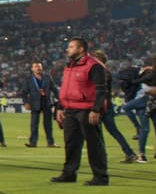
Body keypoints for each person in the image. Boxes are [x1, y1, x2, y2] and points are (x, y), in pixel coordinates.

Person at [51, 37, 109, 185]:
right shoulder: (70, 65)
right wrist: (59, 106)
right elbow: (65, 88)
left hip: (86, 109)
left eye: (71, 47)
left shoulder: (94, 65)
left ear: (81, 49)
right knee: (71, 143)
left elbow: (102, 90)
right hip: (70, 109)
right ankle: (69, 173)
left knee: (94, 144)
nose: (67, 49)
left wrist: (95, 110)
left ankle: (101, 176)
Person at [20, 61, 59, 148]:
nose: (38, 68)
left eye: (39, 66)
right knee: (34, 124)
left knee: (48, 124)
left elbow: (54, 89)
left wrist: (60, 98)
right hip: (34, 104)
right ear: (32, 69)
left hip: (47, 103)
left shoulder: (47, 77)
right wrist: (25, 102)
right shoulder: (29, 79)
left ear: (42, 68)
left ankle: (51, 143)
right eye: (36, 66)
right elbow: (24, 92)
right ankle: (33, 143)